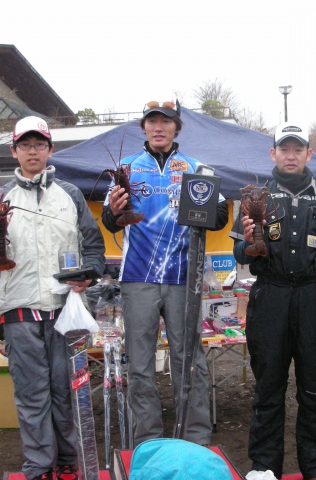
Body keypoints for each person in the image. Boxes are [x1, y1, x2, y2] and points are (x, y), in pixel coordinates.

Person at [0, 116, 106, 480]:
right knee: (32, 395)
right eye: (25, 145)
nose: (33, 151)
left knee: (66, 391)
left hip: (65, 311)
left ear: (50, 150)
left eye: (39, 144)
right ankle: (38, 465)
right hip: (19, 312)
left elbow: (94, 247)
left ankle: (68, 460)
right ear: (14, 150)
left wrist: (88, 275)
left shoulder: (71, 194)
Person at [230, 123, 316, 480]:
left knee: (315, 390)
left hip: (314, 297)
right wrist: (251, 239)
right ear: (273, 153)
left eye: (297, 149)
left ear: (308, 154)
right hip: (269, 296)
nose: (290, 155)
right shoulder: (255, 196)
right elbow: (240, 254)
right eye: (284, 149)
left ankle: (315, 468)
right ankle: (264, 468)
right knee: (268, 389)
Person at [102, 100, 229, 446]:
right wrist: (113, 212)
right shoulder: (125, 168)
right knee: (140, 363)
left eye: (166, 122)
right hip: (138, 277)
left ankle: (196, 437)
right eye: (152, 121)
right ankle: (148, 439)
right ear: (143, 127)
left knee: (189, 360)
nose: (159, 127)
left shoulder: (196, 168)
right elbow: (109, 220)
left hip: (183, 278)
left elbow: (220, 217)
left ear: (177, 127)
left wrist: (201, 211)